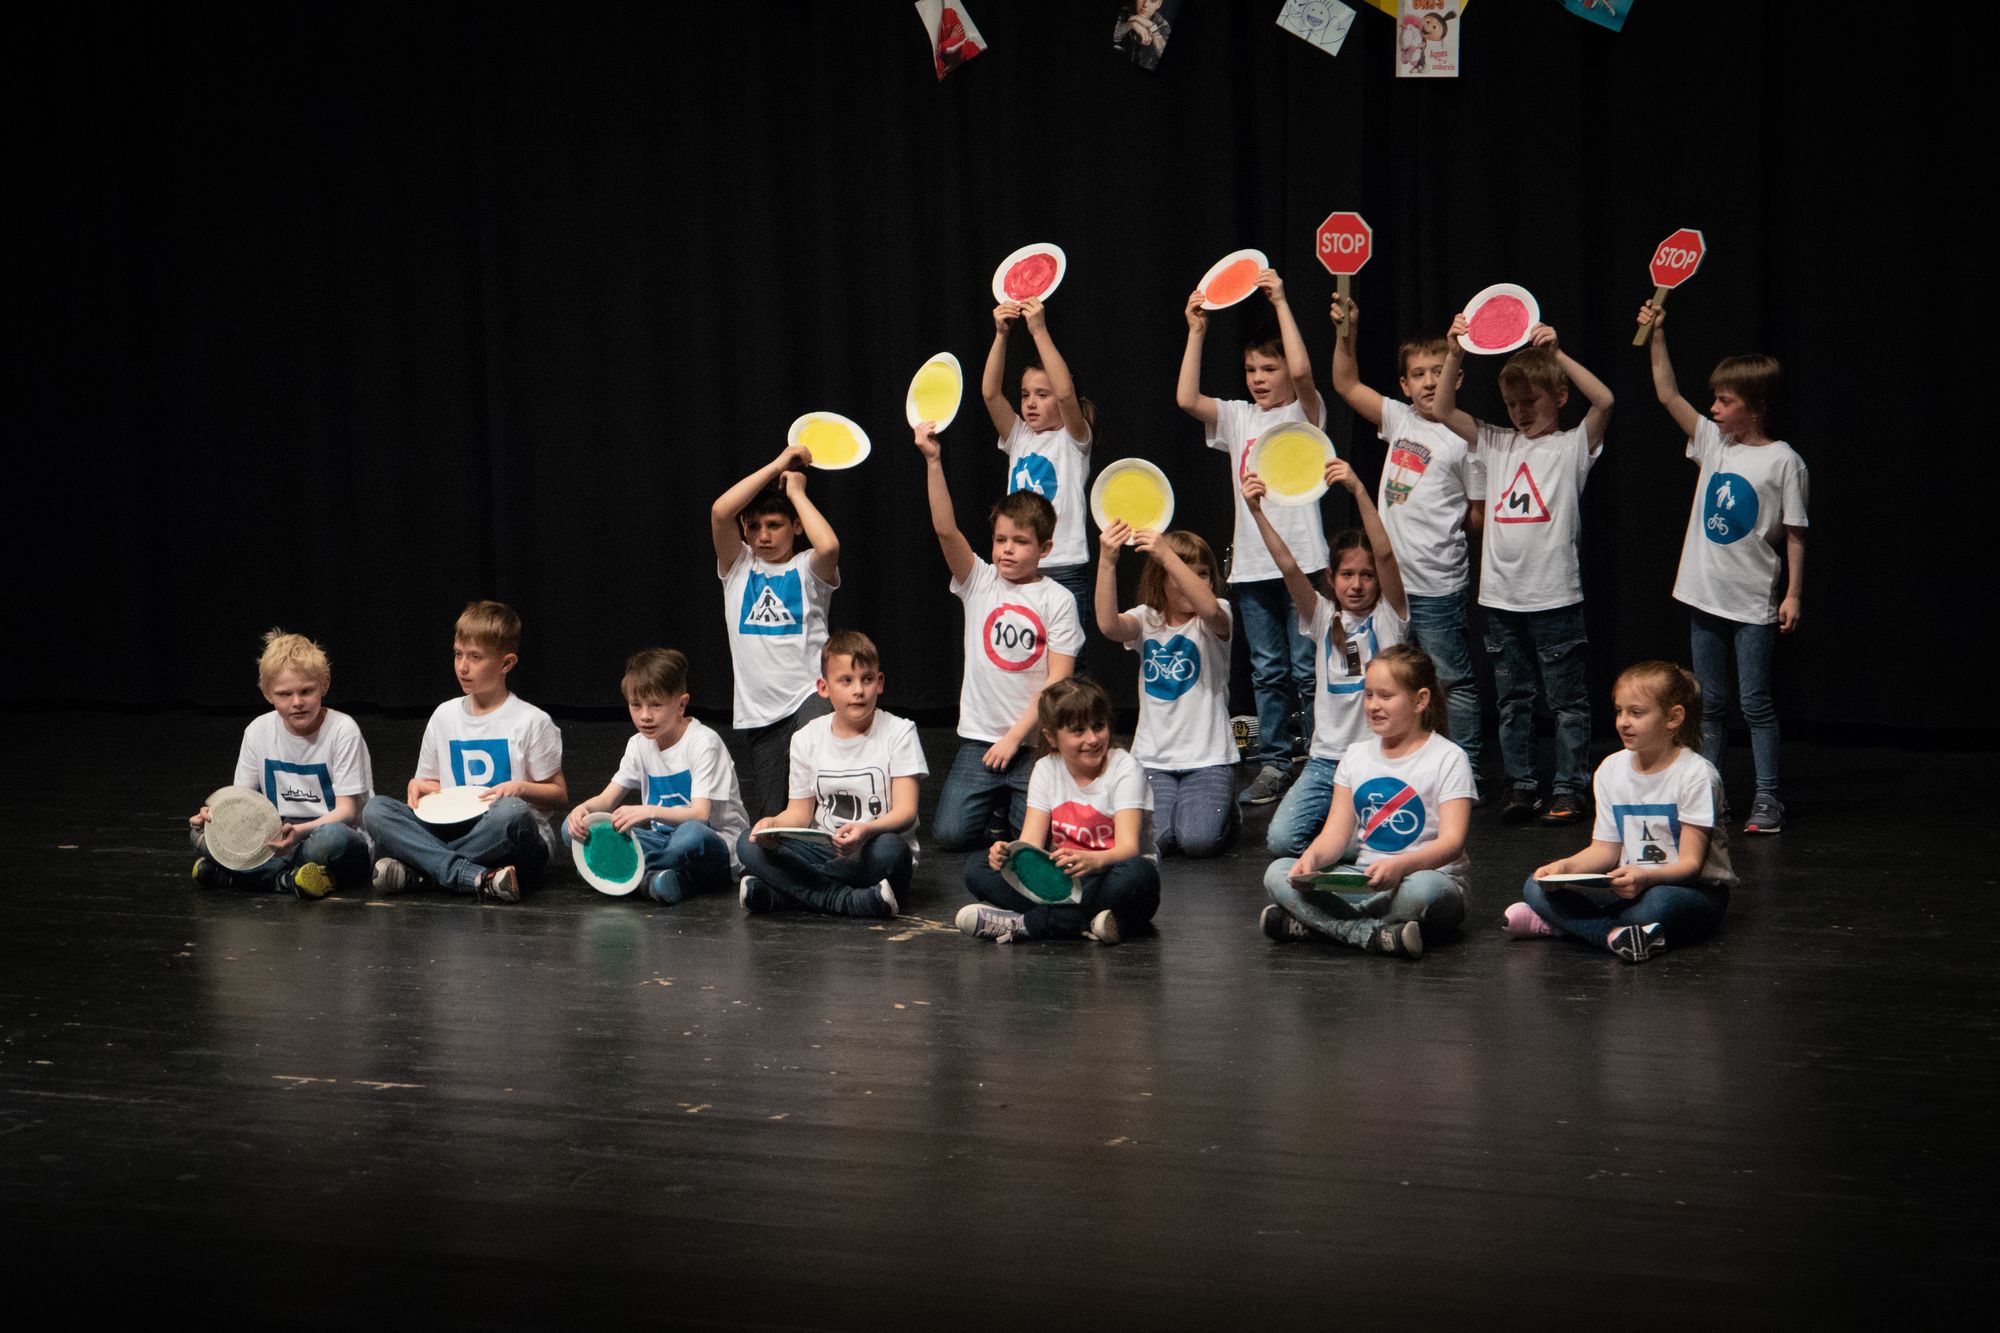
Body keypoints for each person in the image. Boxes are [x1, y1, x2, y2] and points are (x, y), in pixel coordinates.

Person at [1436, 319, 1613, 824]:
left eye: (1530, 401)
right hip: (1501, 599)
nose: (1520, 412)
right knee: (1513, 699)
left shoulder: (1571, 447)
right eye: (1512, 404)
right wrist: (1455, 353)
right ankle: (1522, 783)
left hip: (1554, 596)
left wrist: (1558, 356)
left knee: (1567, 701)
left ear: (1559, 396)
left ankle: (1570, 786)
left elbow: (1604, 401)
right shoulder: (1497, 443)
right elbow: (1443, 409)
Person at [1639, 301, 1807, 834]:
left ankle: (1767, 798)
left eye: (1725, 400)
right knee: (1709, 704)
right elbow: (1668, 394)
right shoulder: (1713, 444)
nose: (1713, 408)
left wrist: (1792, 593)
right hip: (1705, 595)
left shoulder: (1783, 460)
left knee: (1754, 703)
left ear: (1754, 406)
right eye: (1713, 398)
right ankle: (1709, 797)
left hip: (1752, 600)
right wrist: (1658, 335)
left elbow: (1796, 531)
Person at [1176, 267, 1327, 805]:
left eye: (1269, 368)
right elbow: (1187, 399)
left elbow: (1304, 371)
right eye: (1250, 369)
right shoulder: (1239, 417)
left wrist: (1281, 301)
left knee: (1308, 668)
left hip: (1303, 561)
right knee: (1268, 670)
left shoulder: (1305, 413)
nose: (1259, 378)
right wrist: (1197, 332)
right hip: (1253, 567)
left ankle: (1320, 758)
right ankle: (1275, 761)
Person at [1329, 294, 1485, 789]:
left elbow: (1478, 515)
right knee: (1392, 681)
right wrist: (1347, 332)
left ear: (1457, 378)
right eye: (1418, 374)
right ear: (1404, 385)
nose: (1429, 381)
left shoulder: (1466, 439)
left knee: (1449, 680)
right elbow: (1345, 383)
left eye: (1438, 371)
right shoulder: (1400, 419)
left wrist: (1445, 536)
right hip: (1389, 587)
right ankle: (1402, 762)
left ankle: (1467, 771)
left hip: (1437, 585)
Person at [915, 420, 1083, 850]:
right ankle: (994, 806)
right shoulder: (980, 581)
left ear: (1045, 548)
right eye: (1001, 539)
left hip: (1033, 741)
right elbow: (945, 529)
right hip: (982, 739)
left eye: (1020, 541)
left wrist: (1015, 737)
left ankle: (1006, 808)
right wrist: (933, 461)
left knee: (1035, 841)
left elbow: (1058, 681)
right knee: (950, 835)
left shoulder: (1058, 599)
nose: (1007, 549)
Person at [1509, 661, 1735, 962]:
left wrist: (1646, 878)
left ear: (1673, 718)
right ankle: (1616, 935)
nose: (1623, 722)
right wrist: (1565, 868)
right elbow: (1604, 850)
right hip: (1628, 888)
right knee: (1535, 886)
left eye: (1636, 713)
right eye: (1619, 711)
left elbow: (1691, 865)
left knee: (1656, 906)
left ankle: (1564, 925)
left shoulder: (1696, 775)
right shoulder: (1611, 769)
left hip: (1689, 891)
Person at [1260, 645, 1472, 960]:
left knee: (1423, 892)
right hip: (1366, 881)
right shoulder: (1356, 755)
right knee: (1278, 872)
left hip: (1423, 880)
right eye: (1369, 695)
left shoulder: (1448, 758)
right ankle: (1372, 934)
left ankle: (1316, 924)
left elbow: (1452, 843)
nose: (1373, 705)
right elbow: (1335, 835)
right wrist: (1312, 859)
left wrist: (1400, 866)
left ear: (1420, 700)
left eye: (1386, 696)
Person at [1244, 457, 1409, 858]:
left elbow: (1386, 555)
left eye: (1366, 575)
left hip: (1379, 757)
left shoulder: (1390, 617)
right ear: (1332, 579)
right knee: (1282, 840)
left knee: (1382, 844)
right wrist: (1256, 511)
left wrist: (1358, 490)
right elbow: (1287, 566)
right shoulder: (1321, 618)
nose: (1357, 585)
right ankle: (1342, 836)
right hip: (1326, 762)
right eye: (1347, 575)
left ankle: (1345, 837)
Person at [362, 600, 567, 903]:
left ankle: (425, 872)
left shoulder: (531, 721)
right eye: (458, 654)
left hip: (508, 836)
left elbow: (558, 794)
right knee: (376, 810)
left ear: (506, 663)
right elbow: (435, 787)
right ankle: (475, 877)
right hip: (452, 829)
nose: (462, 666)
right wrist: (421, 786)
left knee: (512, 811)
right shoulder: (444, 716)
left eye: (475, 657)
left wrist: (520, 788)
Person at [736, 631, 926, 919]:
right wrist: (774, 824)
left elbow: (906, 812)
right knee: (747, 843)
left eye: (866, 679)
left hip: (870, 852)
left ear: (880, 683)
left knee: (892, 850)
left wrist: (866, 831)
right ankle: (849, 901)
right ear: (823, 688)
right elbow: (799, 813)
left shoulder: (899, 732)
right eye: (846, 681)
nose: (858, 690)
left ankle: (786, 894)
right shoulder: (806, 738)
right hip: (825, 850)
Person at [958, 676, 1161, 945]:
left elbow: (1128, 848)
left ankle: (1027, 924)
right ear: (1052, 737)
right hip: (1065, 884)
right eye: (1078, 731)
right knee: (977, 867)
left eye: (1098, 726)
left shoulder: (1124, 768)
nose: (1092, 739)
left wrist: (1093, 860)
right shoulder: (1046, 769)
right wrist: (1007, 855)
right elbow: (1030, 844)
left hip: (1110, 875)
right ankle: (1095, 923)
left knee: (1137, 872)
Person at [189, 628, 374, 899]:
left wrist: (299, 832)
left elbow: (347, 812)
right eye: (285, 694)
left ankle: (240, 877)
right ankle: (290, 881)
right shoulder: (258, 731)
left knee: (333, 840)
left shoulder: (342, 730)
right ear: (268, 694)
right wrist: (214, 818)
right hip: (278, 841)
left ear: (324, 685)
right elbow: (242, 803)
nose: (297, 702)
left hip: (327, 836)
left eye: (306, 691)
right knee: (199, 836)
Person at [711, 444, 841, 819]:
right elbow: (720, 511)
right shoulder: (738, 567)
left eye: (774, 525)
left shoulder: (807, 568)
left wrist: (796, 493)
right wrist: (776, 465)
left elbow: (829, 545)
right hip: (762, 714)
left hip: (810, 697)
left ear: (796, 526)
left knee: (817, 788)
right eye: (754, 527)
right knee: (775, 816)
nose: (763, 536)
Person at [1095, 522, 1236, 857]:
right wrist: (1107, 562)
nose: (1193, 581)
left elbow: (1210, 609)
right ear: (1159, 578)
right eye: (1180, 572)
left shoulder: (1214, 615)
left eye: (1203, 574)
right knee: (1154, 841)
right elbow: (1109, 626)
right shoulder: (1147, 619)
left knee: (1197, 841)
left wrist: (1167, 556)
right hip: (1153, 760)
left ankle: (1228, 813)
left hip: (1208, 759)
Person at [562, 648, 745, 906]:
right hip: (662, 842)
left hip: (714, 844)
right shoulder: (638, 744)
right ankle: (654, 881)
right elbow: (606, 799)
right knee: (573, 830)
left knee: (689, 835)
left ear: (681, 704)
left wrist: (649, 812)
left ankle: (619, 872)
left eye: (656, 705)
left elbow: (700, 816)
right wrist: (583, 810)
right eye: (636, 705)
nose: (645, 716)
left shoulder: (703, 742)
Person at [984, 295, 1094, 630]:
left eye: (1042, 395)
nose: (1031, 403)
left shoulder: (1073, 439)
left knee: (1066, 657)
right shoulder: (1019, 436)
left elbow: (1066, 394)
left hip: (1063, 567)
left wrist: (1038, 330)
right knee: (1022, 655)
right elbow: (990, 394)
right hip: (1018, 569)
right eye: (1025, 395)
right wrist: (1001, 335)